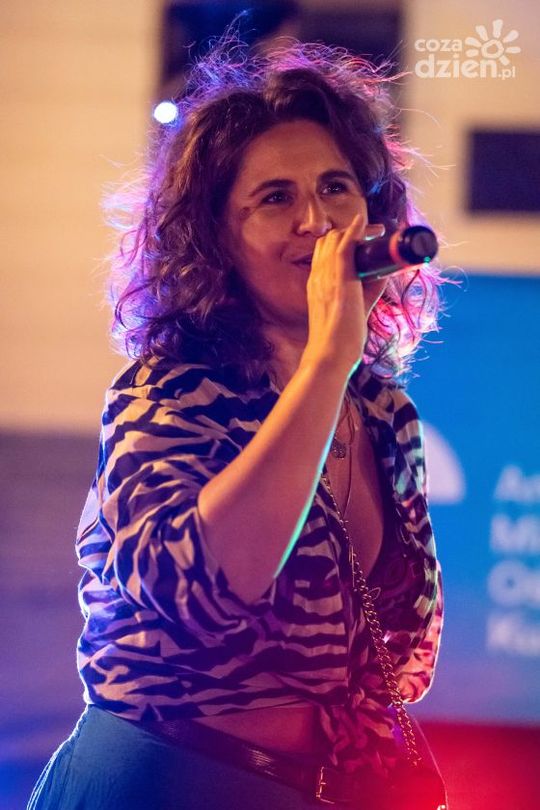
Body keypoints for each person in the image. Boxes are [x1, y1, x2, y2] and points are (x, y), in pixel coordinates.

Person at [28, 32, 453, 810]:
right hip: (164, 783)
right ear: (216, 238)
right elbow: (204, 590)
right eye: (275, 198)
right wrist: (326, 361)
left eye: (336, 187)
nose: (317, 221)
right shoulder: (168, 393)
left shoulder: (384, 414)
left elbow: (405, 657)